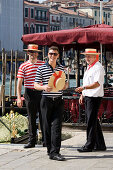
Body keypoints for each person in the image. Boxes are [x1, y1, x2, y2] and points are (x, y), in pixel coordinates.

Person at [34, 46, 68, 161]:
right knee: (46, 127)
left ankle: (55, 152)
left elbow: (66, 84)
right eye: (50, 54)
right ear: (47, 55)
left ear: (58, 55)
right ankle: (50, 150)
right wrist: (43, 87)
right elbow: (35, 85)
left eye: (54, 54)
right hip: (46, 100)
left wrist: (64, 86)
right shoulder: (41, 68)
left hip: (58, 100)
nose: (52, 56)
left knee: (57, 127)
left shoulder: (62, 68)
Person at [75, 48, 106, 152]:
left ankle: (89, 145)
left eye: (89, 56)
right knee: (93, 121)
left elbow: (97, 83)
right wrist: (83, 94)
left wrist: (83, 89)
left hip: (94, 97)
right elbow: (87, 82)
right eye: (86, 56)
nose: (87, 58)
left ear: (94, 56)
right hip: (89, 96)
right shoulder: (89, 67)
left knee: (91, 122)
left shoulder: (98, 67)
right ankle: (100, 144)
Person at [17, 44, 45, 148]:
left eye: (34, 52)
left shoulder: (43, 64)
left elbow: (47, 79)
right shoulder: (23, 66)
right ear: (28, 53)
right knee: (31, 118)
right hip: (29, 93)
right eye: (31, 52)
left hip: (41, 92)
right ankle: (31, 141)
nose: (32, 54)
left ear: (37, 53)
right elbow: (19, 83)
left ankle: (45, 140)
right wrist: (19, 97)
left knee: (44, 117)